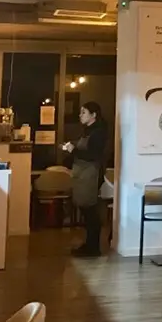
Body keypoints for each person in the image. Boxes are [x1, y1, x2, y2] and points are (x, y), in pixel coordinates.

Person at [62, 102, 108, 257]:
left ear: (93, 115)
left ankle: (93, 247)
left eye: (83, 112)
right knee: (85, 210)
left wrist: (73, 150)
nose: (80, 115)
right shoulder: (87, 131)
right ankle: (89, 245)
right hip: (82, 174)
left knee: (90, 210)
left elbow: (92, 155)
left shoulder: (98, 133)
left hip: (90, 174)